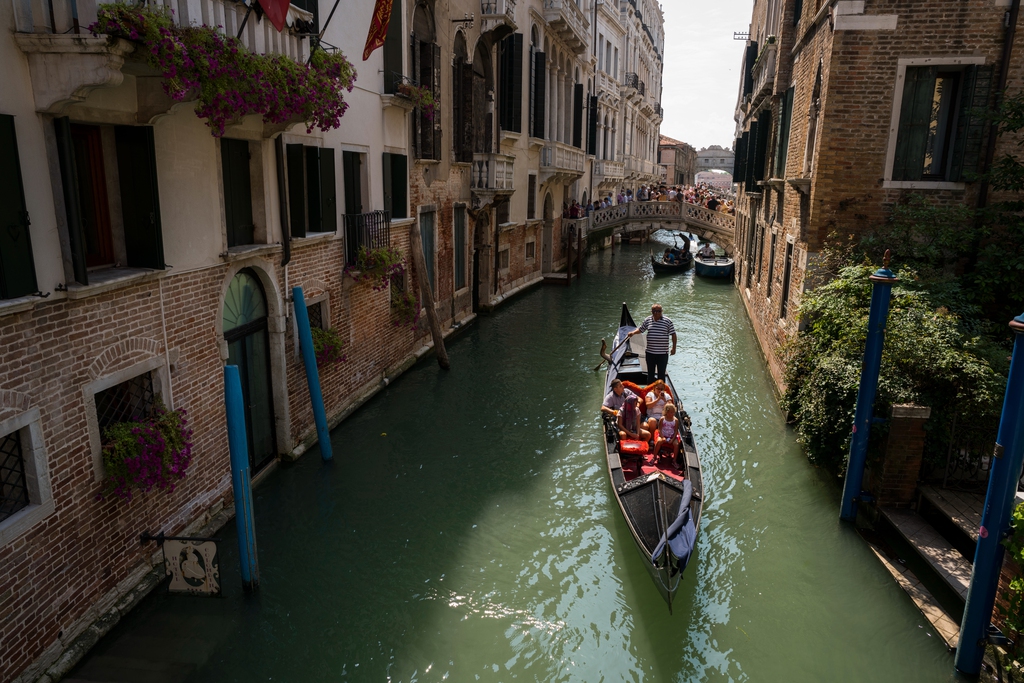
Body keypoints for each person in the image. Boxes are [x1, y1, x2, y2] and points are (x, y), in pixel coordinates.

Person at [627, 303, 676, 384]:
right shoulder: (648, 320)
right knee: (650, 374)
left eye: (658, 311)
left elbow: (673, 334)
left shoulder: (668, 321)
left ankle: (661, 393)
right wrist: (633, 333)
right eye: (654, 311)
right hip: (650, 353)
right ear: (651, 311)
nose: (656, 313)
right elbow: (641, 329)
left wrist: (674, 348)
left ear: (662, 311)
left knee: (661, 375)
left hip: (662, 354)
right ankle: (650, 392)